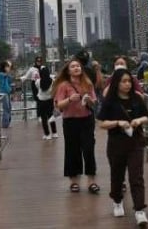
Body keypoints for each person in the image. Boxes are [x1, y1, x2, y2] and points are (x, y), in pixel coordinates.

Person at [97, 68, 148, 226]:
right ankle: (117, 200)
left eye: (129, 81)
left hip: (135, 143)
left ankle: (140, 210)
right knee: (117, 175)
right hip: (116, 143)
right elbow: (101, 123)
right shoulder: (110, 102)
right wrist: (118, 123)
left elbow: (147, 116)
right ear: (116, 83)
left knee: (136, 177)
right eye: (123, 81)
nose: (127, 84)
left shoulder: (137, 99)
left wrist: (138, 121)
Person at [53, 58, 99, 194]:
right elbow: (58, 105)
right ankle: (74, 181)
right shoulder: (64, 85)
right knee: (72, 151)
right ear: (68, 70)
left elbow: (94, 102)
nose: (76, 68)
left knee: (89, 149)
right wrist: (69, 99)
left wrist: (89, 100)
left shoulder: (88, 84)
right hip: (70, 121)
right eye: (73, 66)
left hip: (86, 120)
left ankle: (92, 181)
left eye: (78, 66)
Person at [35, 65, 58, 140]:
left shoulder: (38, 81)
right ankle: (54, 133)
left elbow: (37, 87)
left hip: (41, 101)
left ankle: (47, 134)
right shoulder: (53, 80)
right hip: (50, 100)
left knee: (44, 118)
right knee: (51, 116)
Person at [0, 61, 13, 128]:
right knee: (6, 108)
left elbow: (10, 80)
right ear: (4, 67)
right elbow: (5, 76)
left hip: (7, 92)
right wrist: (8, 73)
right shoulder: (1, 74)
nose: (8, 68)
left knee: (9, 107)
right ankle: (5, 124)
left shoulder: (6, 75)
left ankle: (7, 122)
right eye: (7, 67)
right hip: (3, 93)